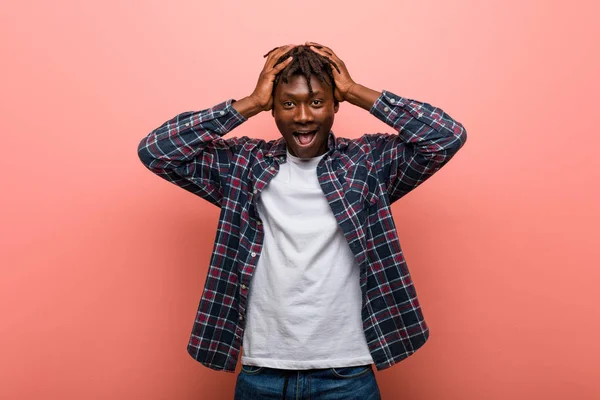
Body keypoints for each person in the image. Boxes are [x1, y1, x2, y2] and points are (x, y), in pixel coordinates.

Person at [137, 42, 467, 400]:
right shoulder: (243, 165)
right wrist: (249, 103)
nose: (304, 116)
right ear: (274, 110)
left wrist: (357, 91)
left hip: (347, 373)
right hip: (261, 372)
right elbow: (157, 151)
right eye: (288, 103)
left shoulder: (367, 164)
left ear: (335, 105)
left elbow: (445, 137)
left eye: (317, 101)